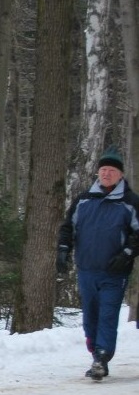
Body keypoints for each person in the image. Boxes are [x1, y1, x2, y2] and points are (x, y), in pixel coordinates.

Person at [56, 146, 139, 380]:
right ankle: (96, 354)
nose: (106, 174)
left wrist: (126, 254)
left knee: (108, 314)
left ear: (120, 174)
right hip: (87, 269)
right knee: (90, 316)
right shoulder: (83, 200)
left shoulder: (130, 202)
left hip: (115, 272)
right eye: (103, 170)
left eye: (111, 170)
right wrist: (63, 249)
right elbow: (67, 227)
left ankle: (102, 356)